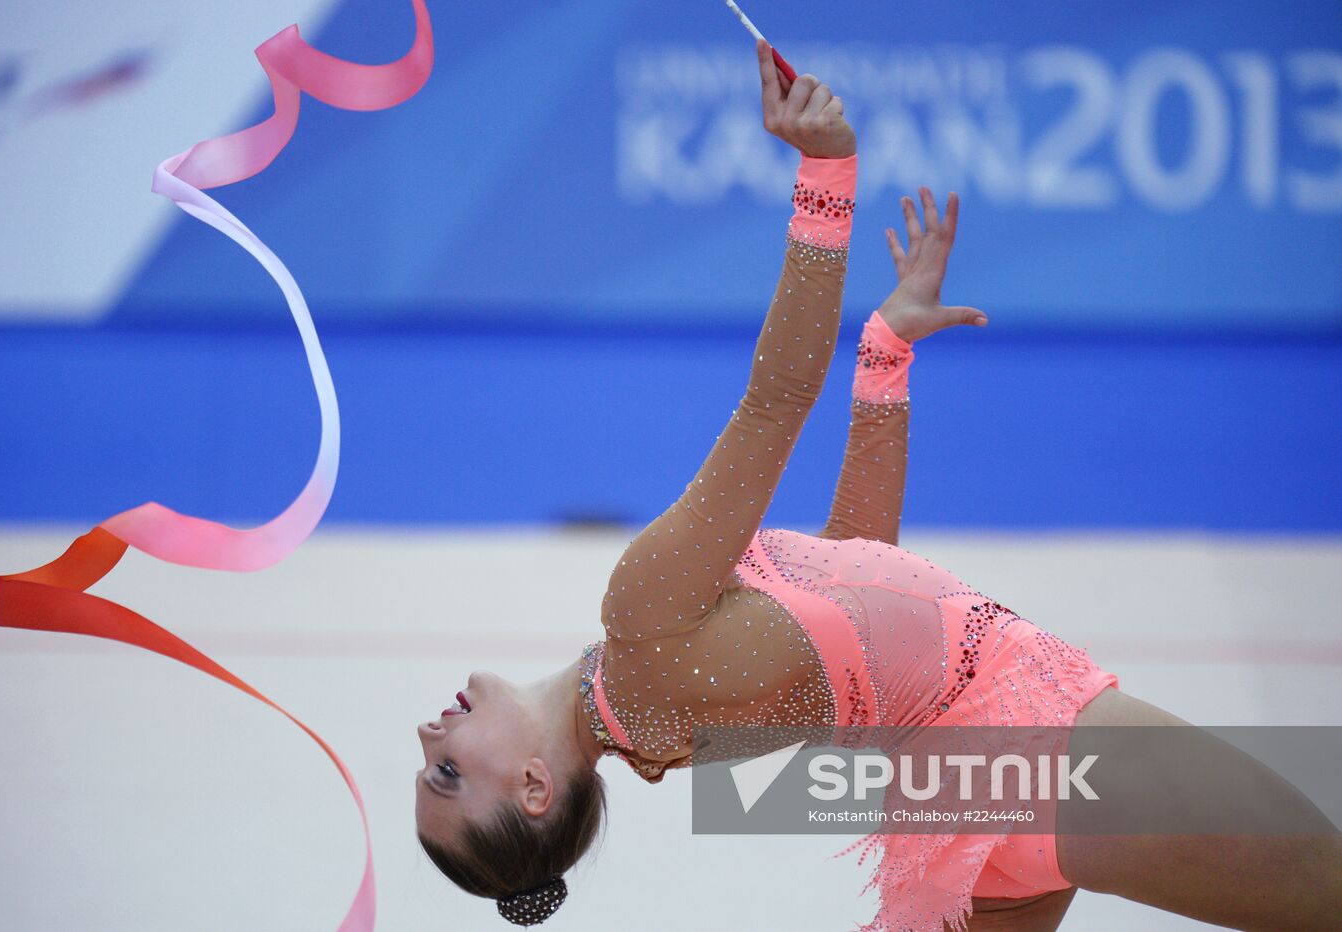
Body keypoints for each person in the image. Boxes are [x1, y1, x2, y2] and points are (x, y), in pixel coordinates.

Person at [416, 40, 1341, 931]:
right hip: (1030, 744)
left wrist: (884, 357)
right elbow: (774, 403)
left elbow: (861, 583)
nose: (427, 739)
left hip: (959, 807)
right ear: (536, 790)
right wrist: (827, 175)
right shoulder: (642, 624)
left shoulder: (655, 738)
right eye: (447, 775)